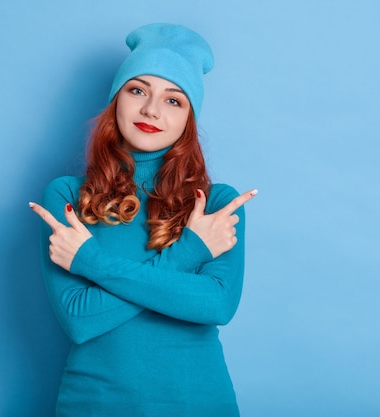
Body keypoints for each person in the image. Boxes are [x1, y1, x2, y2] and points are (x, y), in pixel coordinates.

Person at [29, 23, 256, 417]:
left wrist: (91, 262)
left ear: (189, 118)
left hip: (198, 403)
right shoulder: (67, 197)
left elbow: (217, 305)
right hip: (95, 404)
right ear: (116, 99)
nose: (151, 110)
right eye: (138, 90)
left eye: (174, 100)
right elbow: (80, 319)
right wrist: (191, 253)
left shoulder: (216, 203)